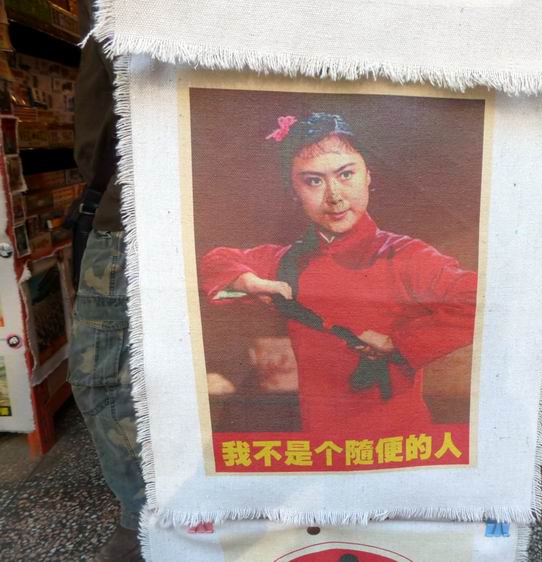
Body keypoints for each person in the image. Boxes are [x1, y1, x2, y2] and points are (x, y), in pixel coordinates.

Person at [200, 113, 478, 435]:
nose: (334, 196)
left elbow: (478, 299)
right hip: (322, 443)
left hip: (398, 443)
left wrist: (400, 343)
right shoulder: (287, 262)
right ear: (293, 190)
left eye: (346, 174)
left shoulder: (404, 255)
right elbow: (215, 261)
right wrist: (249, 282)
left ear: (368, 175)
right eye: (313, 181)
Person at [66, 1, 145, 560]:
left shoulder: (120, 7)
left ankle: (141, 514)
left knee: (101, 376)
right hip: (254, 201)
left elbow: (96, 143)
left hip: (132, 211)